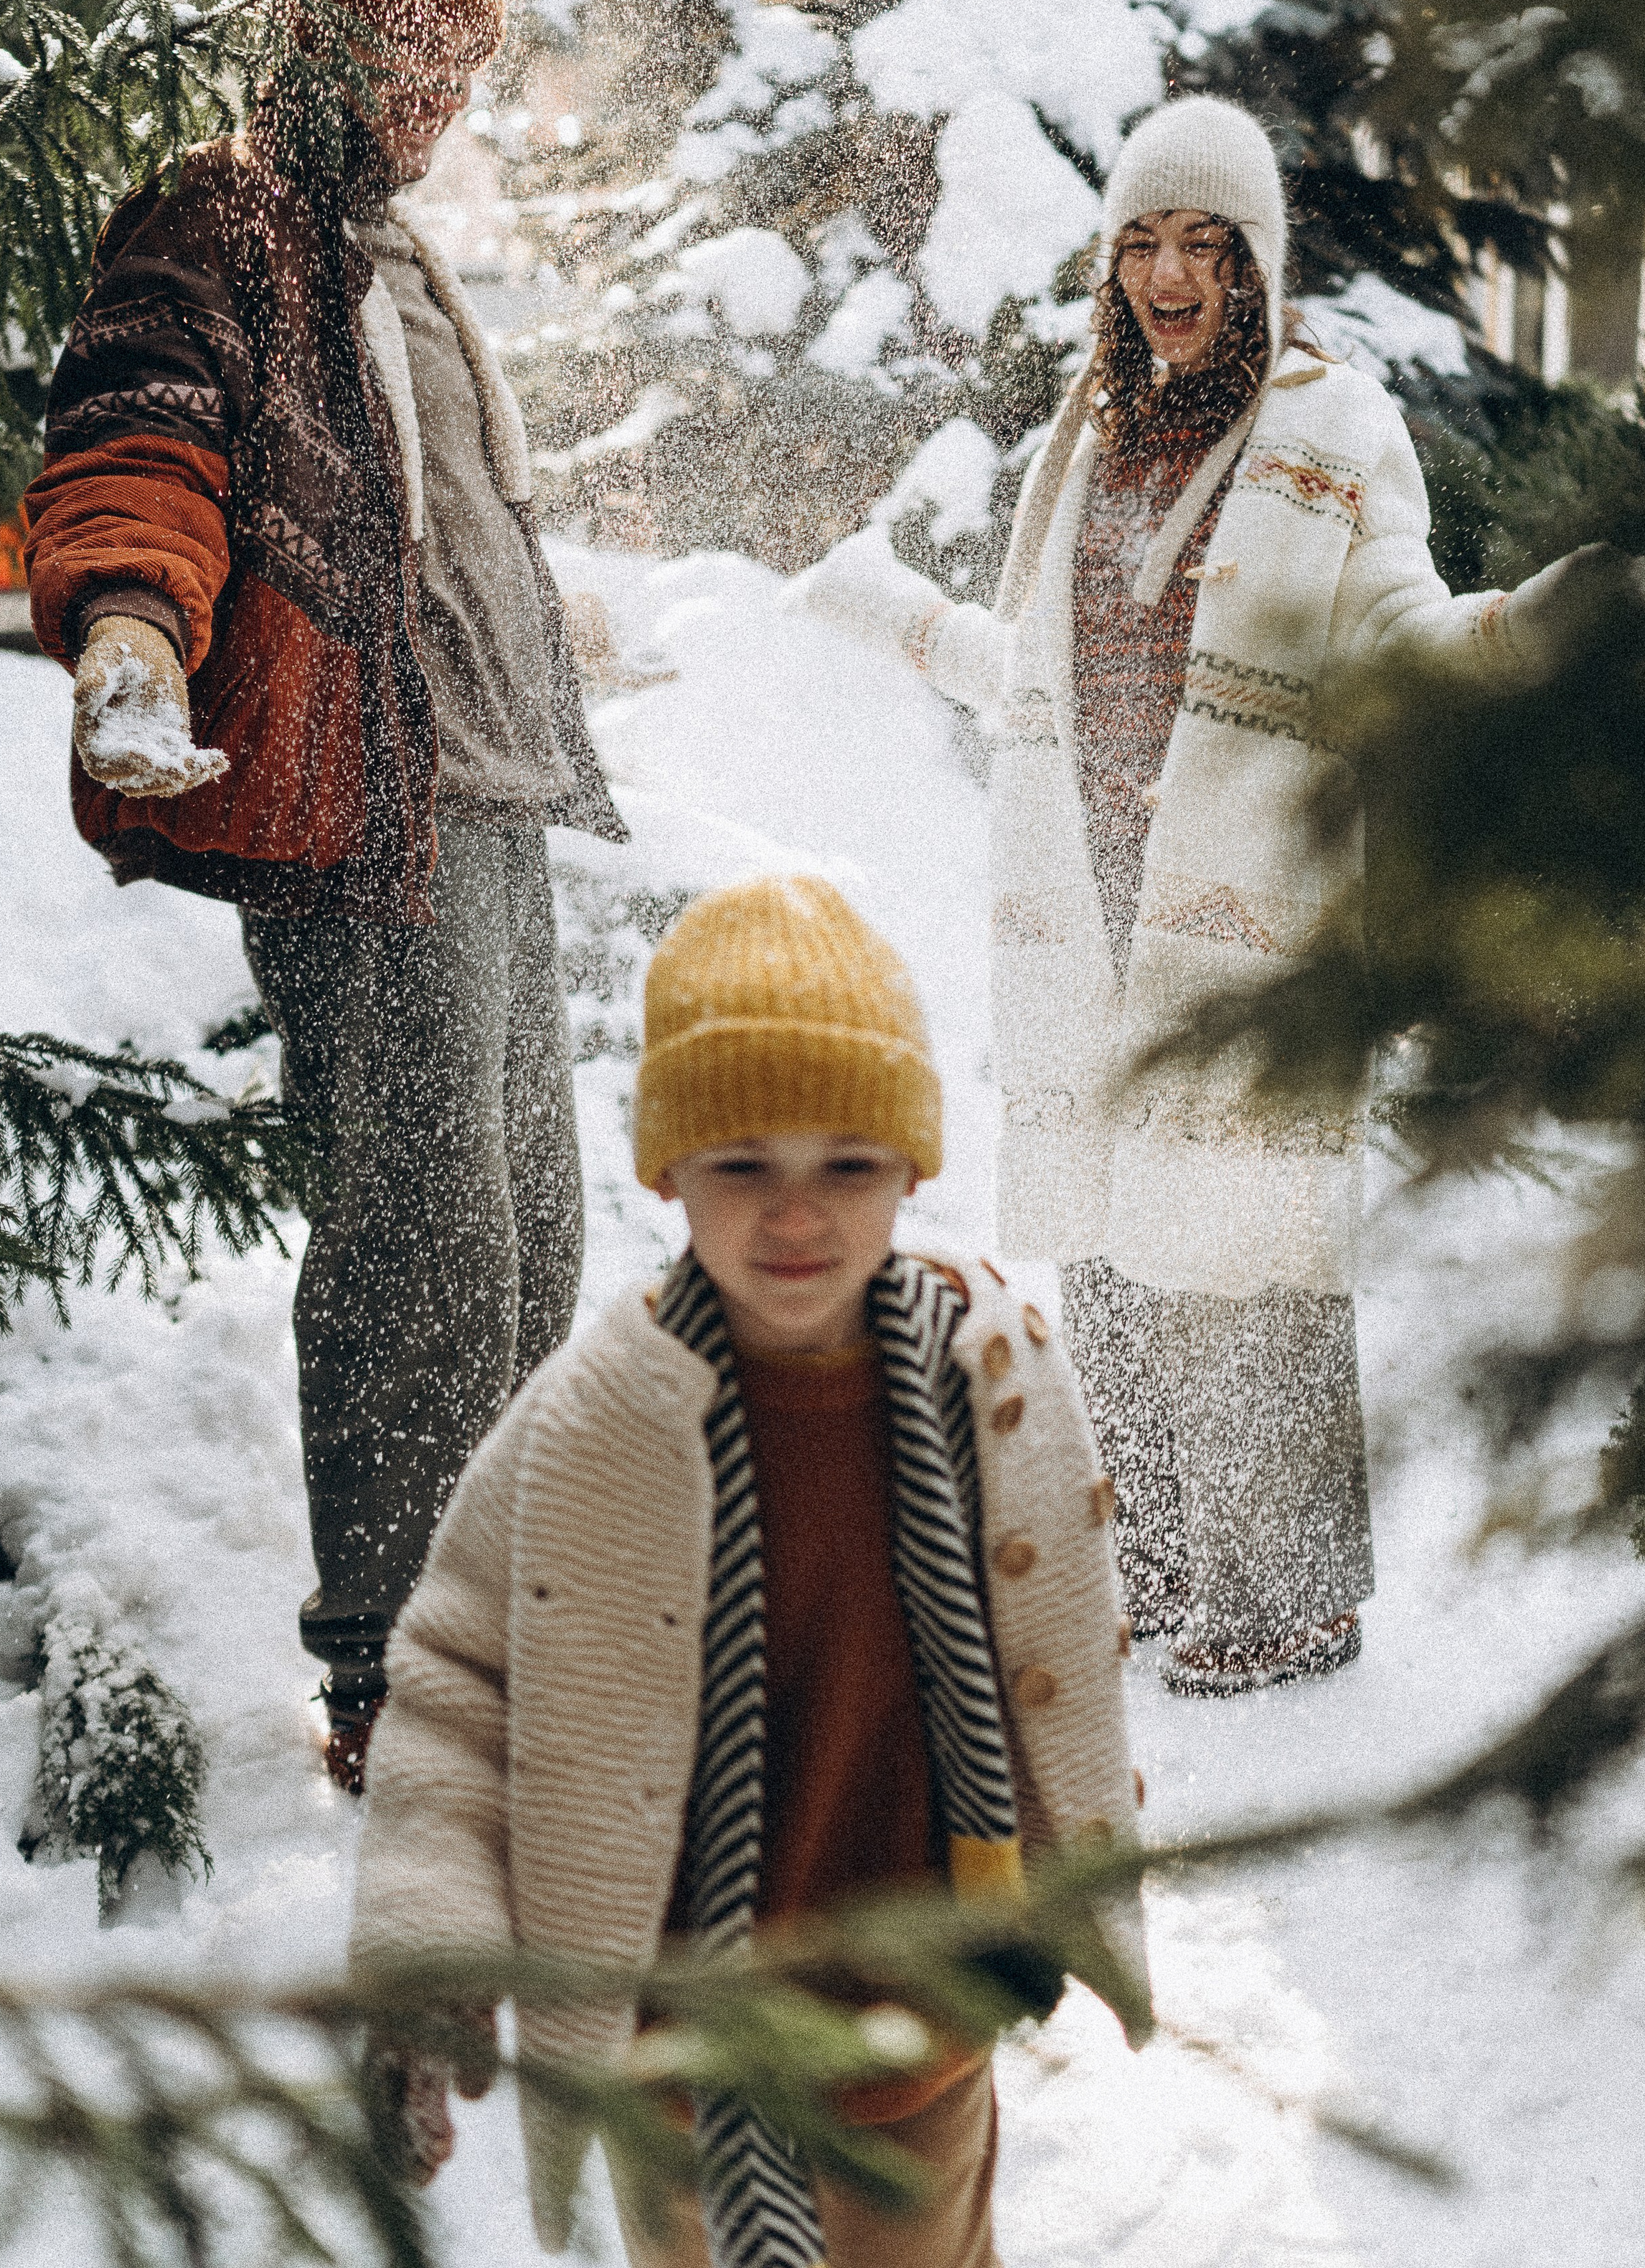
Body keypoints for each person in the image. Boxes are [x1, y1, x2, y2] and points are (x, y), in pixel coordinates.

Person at [798, 93, 1645, 1697]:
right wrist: (887, 611)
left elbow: (1408, 644)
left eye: (1206, 244)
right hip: (1082, 902)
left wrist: (1562, 618)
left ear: (1256, 262)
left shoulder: (1331, 430)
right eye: (1143, 243)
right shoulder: (1087, 437)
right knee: (1107, 1248)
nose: (1171, 275)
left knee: (1246, 1254)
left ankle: (1290, 1593)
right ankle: (1160, 1556)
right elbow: (1037, 683)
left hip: (1239, 903)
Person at [20, 0, 626, 1788]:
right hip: (363, 822)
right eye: (411, 45)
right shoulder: (228, 215)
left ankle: (499, 1620)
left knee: (529, 1244)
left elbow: (418, 514)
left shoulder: (397, 251)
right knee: (419, 1247)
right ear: (329, 39)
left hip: (487, 801)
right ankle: (397, 1668)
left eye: (464, 51)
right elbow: (137, 429)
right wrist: (132, 628)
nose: (441, 92)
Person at [349, 873, 1144, 2268]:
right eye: (741, 1165)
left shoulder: (992, 1380)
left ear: (913, 1171)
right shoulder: (592, 1417)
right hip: (671, 2040)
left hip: (919, 2022)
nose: (795, 1216)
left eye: (848, 1164)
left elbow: (1056, 1638)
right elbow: (458, 1685)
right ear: (667, 1172)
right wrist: (433, 1945)